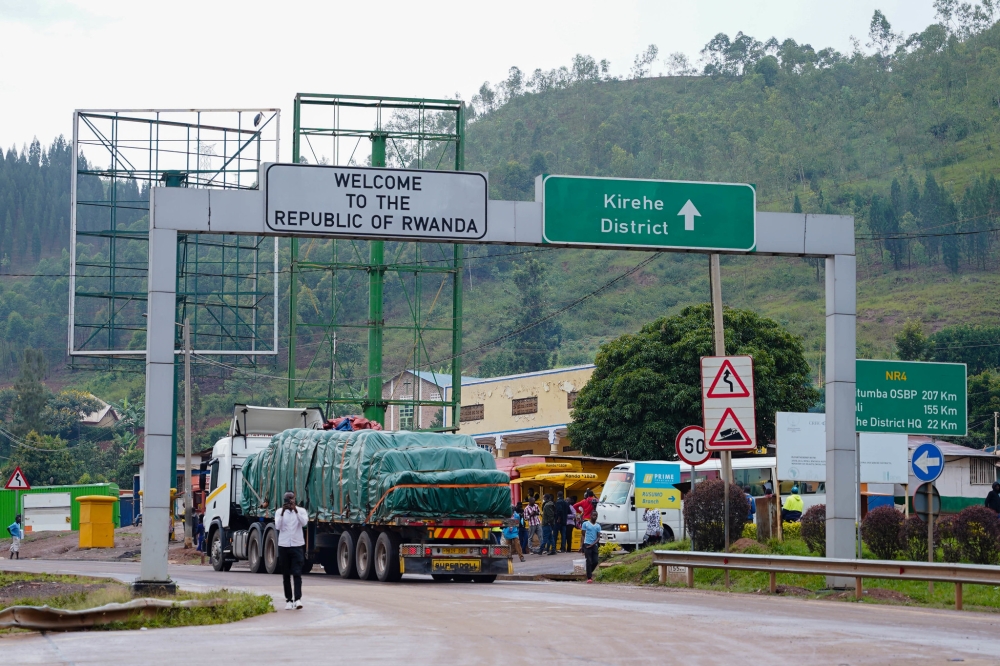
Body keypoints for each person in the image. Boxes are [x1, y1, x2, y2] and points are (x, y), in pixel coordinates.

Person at [274, 491, 309, 610]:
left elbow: (304, 523)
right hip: (283, 545)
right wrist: (283, 512)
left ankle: (298, 599)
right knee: (286, 574)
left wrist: (296, 510)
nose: (289, 501)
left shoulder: (301, 511)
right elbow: (278, 526)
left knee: (297, 573)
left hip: (297, 545)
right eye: (287, 499)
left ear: (294, 499)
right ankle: (288, 600)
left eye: (291, 499)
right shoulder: (279, 512)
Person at [580, 510, 602, 583]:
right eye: (593, 515)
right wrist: (581, 545)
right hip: (586, 544)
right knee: (588, 561)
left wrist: (593, 544)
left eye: (596, 516)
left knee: (595, 561)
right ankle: (589, 577)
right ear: (590, 516)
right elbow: (583, 535)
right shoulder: (585, 524)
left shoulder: (598, 526)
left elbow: (598, 537)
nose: (594, 517)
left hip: (594, 545)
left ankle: (589, 572)